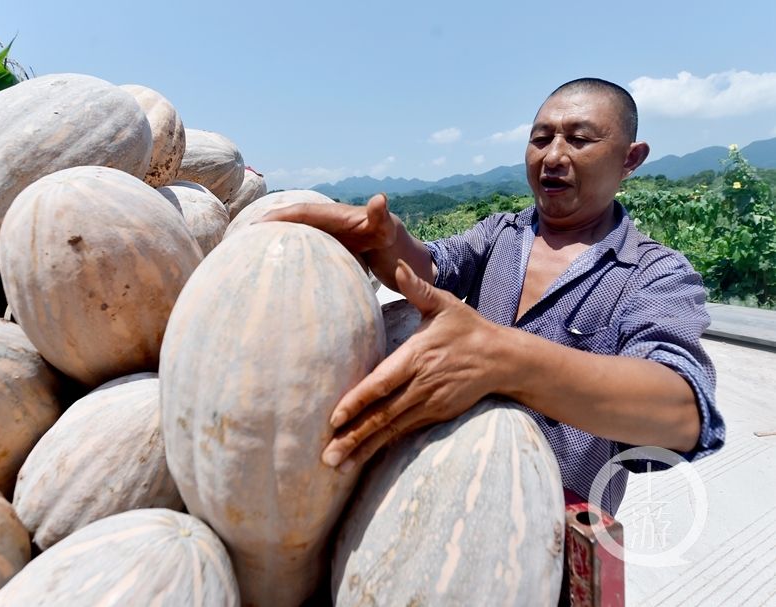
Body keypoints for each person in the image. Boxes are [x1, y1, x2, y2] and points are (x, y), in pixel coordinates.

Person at [265, 78, 725, 514]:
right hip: (446, 491)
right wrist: (388, 241)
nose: (553, 156)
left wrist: (504, 358)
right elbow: (430, 268)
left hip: (549, 535)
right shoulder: (500, 234)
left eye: (579, 140)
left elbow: (682, 413)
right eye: (541, 138)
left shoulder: (654, 272)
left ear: (630, 158)